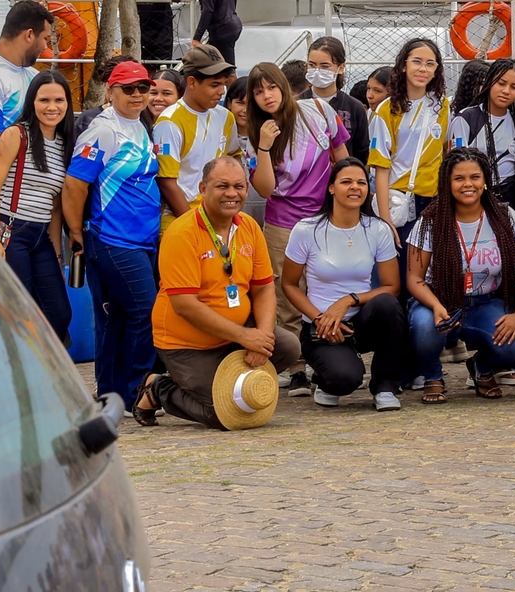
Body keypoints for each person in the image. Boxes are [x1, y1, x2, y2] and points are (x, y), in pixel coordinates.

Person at [142, 154, 302, 428]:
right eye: (222, 186)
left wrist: (262, 338)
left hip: (235, 335)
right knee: (223, 413)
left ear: (247, 189)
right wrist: (245, 337)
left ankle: (229, 379)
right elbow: (184, 305)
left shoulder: (249, 226)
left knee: (288, 347)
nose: (231, 193)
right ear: (203, 189)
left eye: (239, 186)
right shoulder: (182, 233)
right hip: (188, 344)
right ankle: (158, 388)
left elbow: (264, 288)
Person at [62, 60, 162, 406]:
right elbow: (75, 184)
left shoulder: (139, 125)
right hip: (112, 238)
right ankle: (137, 391)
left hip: (142, 239)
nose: (137, 94)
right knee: (145, 311)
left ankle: (110, 391)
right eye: (128, 88)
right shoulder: (103, 130)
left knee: (116, 316)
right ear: (111, 91)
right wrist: (76, 229)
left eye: (143, 88)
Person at [406, 147, 515, 402]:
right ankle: (433, 376)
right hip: (439, 301)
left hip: (485, 303)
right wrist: (435, 306)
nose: (468, 184)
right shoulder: (430, 220)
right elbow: (414, 278)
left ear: (485, 180)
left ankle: (482, 367)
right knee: (423, 326)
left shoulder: (504, 216)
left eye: (475, 177)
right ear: (447, 183)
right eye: (459, 178)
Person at [280, 158, 407, 410]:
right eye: (346, 182)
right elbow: (289, 284)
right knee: (345, 379)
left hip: (362, 321)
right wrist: (319, 318)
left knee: (387, 304)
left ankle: (385, 386)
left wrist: (349, 300)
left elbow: (391, 286)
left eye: (361, 182)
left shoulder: (377, 229)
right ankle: (326, 377)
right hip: (322, 327)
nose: (355, 187)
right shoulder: (306, 230)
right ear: (331, 188)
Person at [247, 60, 350, 334]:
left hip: (325, 218)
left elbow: (343, 162)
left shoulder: (319, 110)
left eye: (271, 87)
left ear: (283, 86)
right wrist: (264, 147)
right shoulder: (258, 133)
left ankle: (328, 343)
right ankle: (294, 355)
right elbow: (265, 189)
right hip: (283, 224)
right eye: (258, 92)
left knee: (327, 286)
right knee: (287, 297)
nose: (267, 95)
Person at [0, 69, 75, 341]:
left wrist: (58, 255)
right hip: (10, 231)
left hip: (41, 236)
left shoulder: (64, 143)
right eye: (44, 100)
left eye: (59, 100)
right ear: (32, 102)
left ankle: (38, 364)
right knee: (18, 313)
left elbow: (55, 207)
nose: (52, 107)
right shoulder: (16, 135)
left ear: (68, 104)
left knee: (59, 313)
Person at [0, 0, 54, 214]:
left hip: (32, 200)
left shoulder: (34, 76)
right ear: (29, 34)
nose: (46, 47)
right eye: (45, 38)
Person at [367, 38, 449, 236]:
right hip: (400, 199)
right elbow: (381, 166)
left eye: (430, 64)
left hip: (435, 199)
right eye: (417, 61)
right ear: (403, 66)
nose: (423, 69)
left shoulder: (442, 105)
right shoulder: (386, 109)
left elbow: (445, 150)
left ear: (436, 70)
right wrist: (386, 220)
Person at [151, 43, 237, 223]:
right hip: (178, 220)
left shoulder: (226, 117)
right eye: (214, 85)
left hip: (216, 216)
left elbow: (233, 157)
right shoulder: (170, 121)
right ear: (191, 82)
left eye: (223, 84)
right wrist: (195, 224)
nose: (221, 92)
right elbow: (167, 182)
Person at [451, 58, 515, 217]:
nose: (506, 91)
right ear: (489, 82)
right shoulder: (466, 119)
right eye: (501, 83)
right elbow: (455, 168)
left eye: (514, 87)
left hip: (511, 201)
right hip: (474, 200)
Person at [305, 38, 371, 177]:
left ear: (341, 68)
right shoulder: (296, 104)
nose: (317, 71)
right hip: (304, 181)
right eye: (312, 65)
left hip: (341, 179)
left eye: (324, 66)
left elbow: (361, 151)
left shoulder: (355, 107)